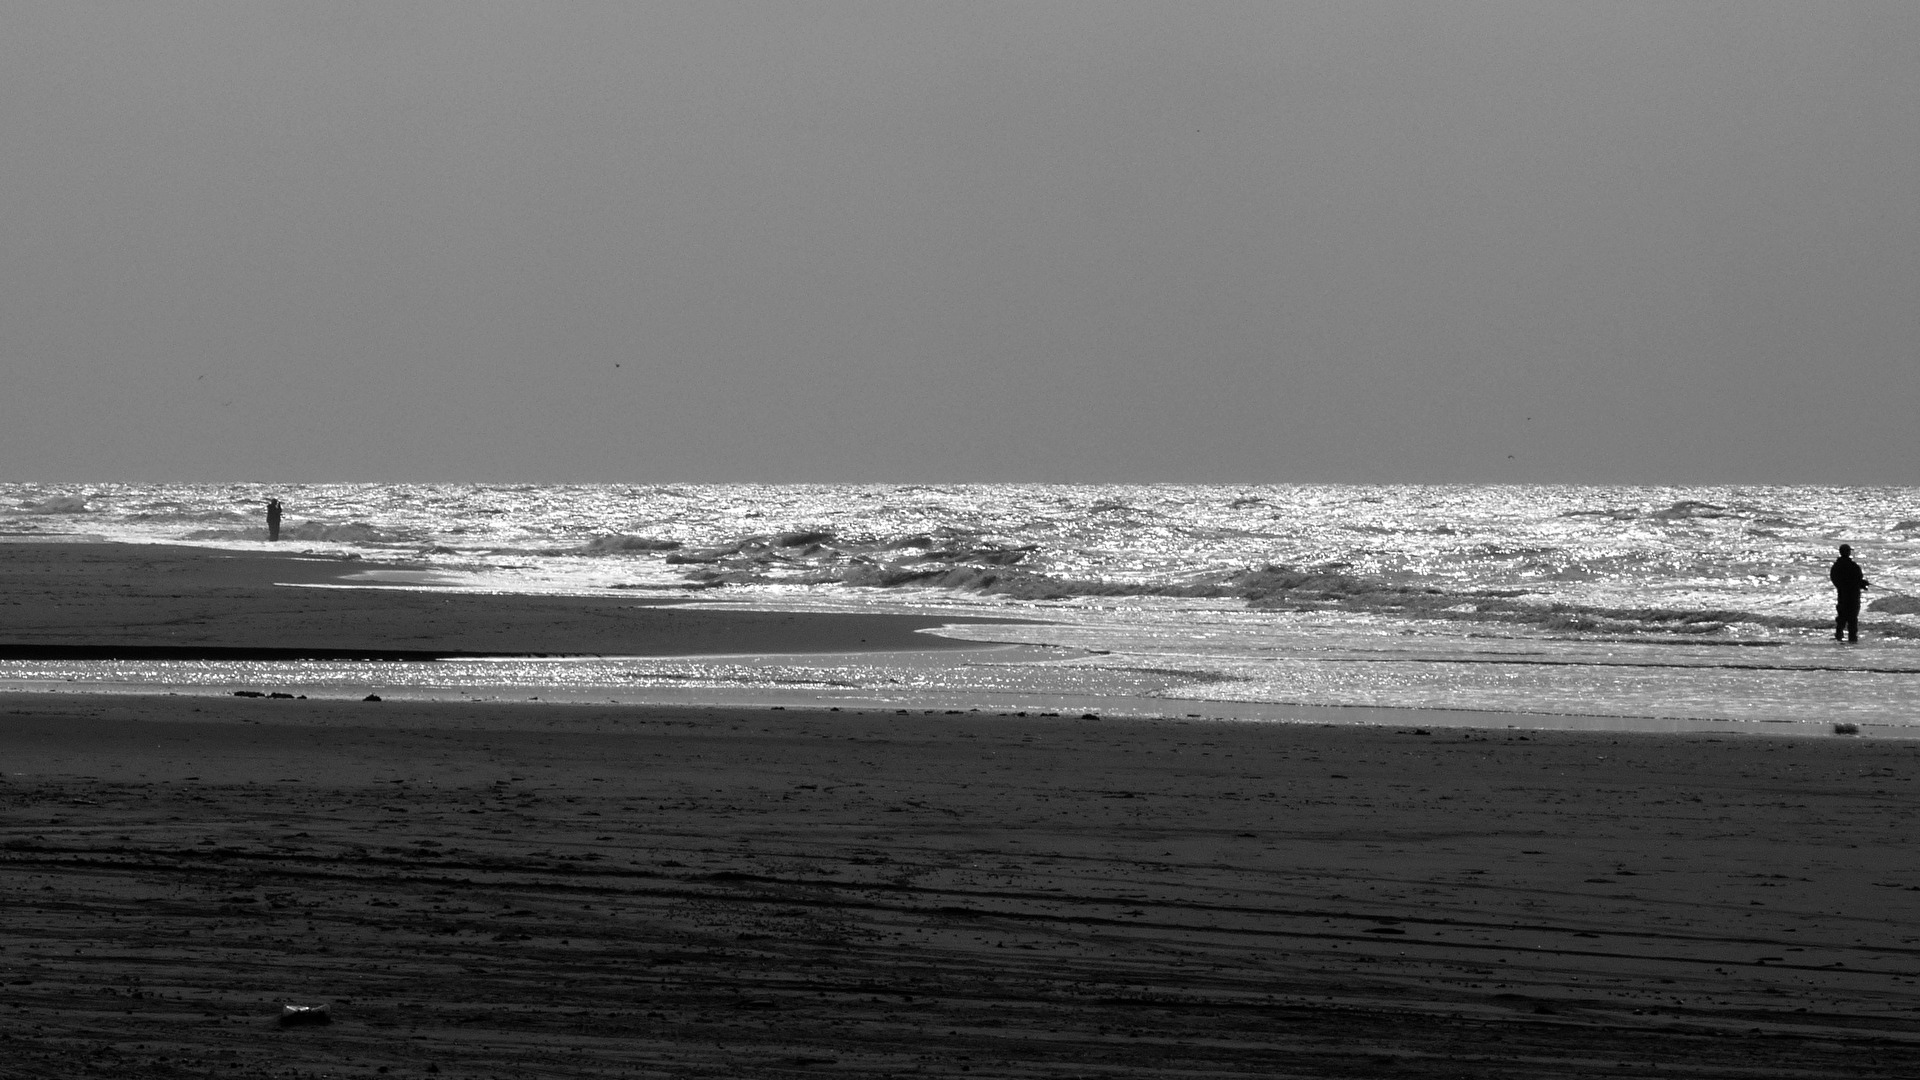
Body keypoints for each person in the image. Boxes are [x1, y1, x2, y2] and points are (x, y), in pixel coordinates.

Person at [1829, 544, 1870, 643]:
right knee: (1852, 618)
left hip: (1842, 595)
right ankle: (1852, 638)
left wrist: (1843, 587)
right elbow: (1858, 580)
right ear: (1847, 552)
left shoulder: (1836, 566)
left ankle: (1839, 635)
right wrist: (1863, 584)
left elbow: (1835, 580)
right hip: (1853, 596)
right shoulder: (1853, 566)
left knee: (1842, 616)